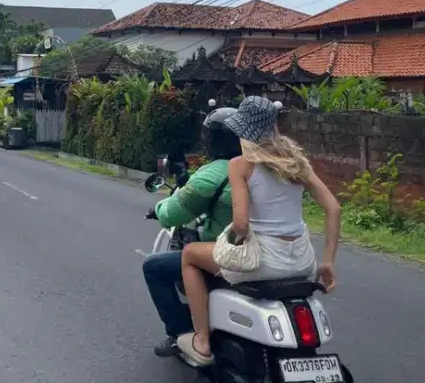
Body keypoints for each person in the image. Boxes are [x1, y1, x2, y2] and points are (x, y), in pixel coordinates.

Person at [176, 96, 342, 367]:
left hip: (263, 262)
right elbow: (334, 209)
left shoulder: (241, 165)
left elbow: (241, 225)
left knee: (189, 255)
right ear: (273, 127)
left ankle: (202, 340)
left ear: (242, 130)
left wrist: (229, 241)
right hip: (303, 262)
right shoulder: (296, 163)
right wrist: (328, 263)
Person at [142, 108, 242, 360]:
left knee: (154, 267)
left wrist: (159, 208)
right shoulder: (267, 168)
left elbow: (172, 214)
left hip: (230, 254)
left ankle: (183, 333)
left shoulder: (213, 173)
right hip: (279, 252)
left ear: (213, 140)